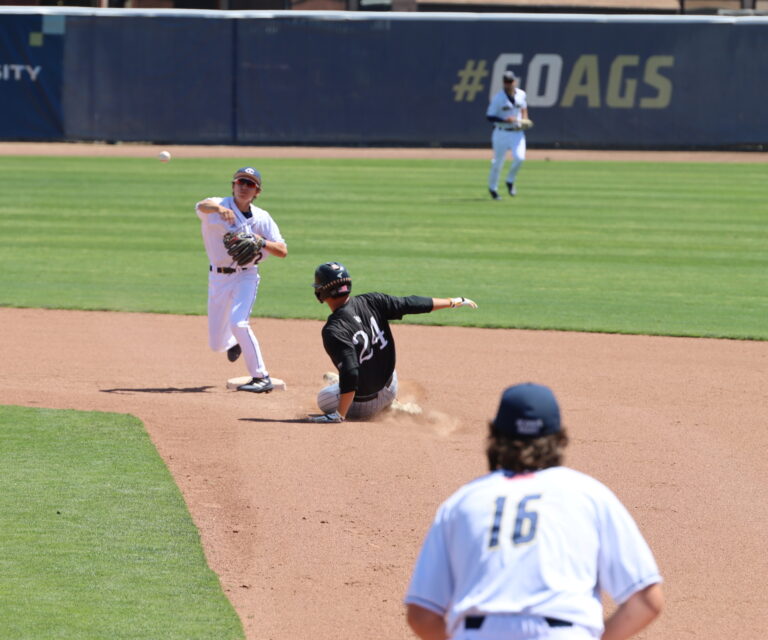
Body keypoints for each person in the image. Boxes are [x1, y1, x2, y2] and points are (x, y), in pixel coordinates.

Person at [404, 382, 664, 640]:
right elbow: (646, 601)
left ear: (494, 437)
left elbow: (421, 616)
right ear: (559, 439)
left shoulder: (462, 503)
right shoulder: (590, 496)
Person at [307, 261, 478, 423]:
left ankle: (383, 406)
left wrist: (339, 415)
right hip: (391, 386)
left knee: (324, 397)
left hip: (366, 404)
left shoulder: (333, 329)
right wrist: (452, 302)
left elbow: (351, 372)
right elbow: (410, 303)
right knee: (354, 369)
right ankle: (380, 398)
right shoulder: (372, 300)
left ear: (322, 292)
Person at [195, 167, 287, 393]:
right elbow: (201, 206)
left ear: (257, 191)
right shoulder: (218, 205)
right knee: (216, 344)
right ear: (233, 185)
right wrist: (219, 208)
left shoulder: (262, 217)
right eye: (240, 182)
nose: (244, 187)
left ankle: (261, 377)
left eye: (250, 184)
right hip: (218, 278)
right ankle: (234, 342)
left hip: (246, 276)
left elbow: (282, 250)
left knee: (238, 322)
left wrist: (261, 241)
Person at [486, 70, 529, 200]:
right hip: (501, 132)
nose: (508, 83)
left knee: (520, 158)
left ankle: (510, 180)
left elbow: (523, 108)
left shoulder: (521, 94)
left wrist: (524, 119)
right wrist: (505, 120)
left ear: (514, 81)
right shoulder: (498, 98)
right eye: (506, 81)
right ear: (503, 83)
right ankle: (493, 189)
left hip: (517, 132)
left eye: (510, 81)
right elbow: (490, 116)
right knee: (498, 162)